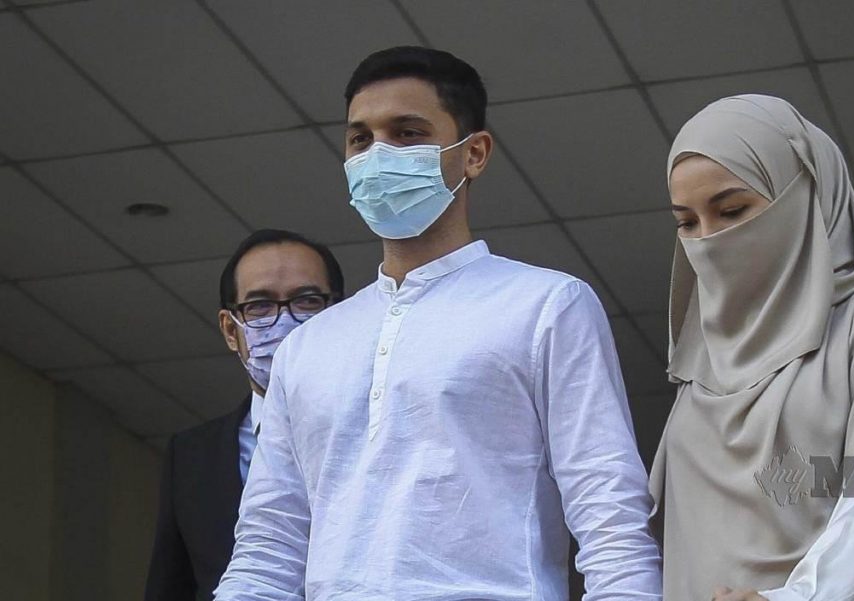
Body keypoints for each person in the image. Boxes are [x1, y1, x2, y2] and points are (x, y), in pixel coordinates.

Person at [214, 46, 661, 601]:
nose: (379, 154)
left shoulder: (546, 305)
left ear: (474, 153)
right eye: (361, 139)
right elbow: (268, 547)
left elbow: (608, 509)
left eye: (407, 133)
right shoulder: (307, 346)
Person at [650, 95, 854, 601]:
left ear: (805, 195)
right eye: (687, 223)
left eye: (731, 211)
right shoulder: (702, 354)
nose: (708, 240)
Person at [145, 229, 344, 601]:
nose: (284, 322)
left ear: (340, 315)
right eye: (260, 306)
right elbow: (171, 586)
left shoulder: (385, 426)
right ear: (229, 330)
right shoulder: (191, 455)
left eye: (307, 301)